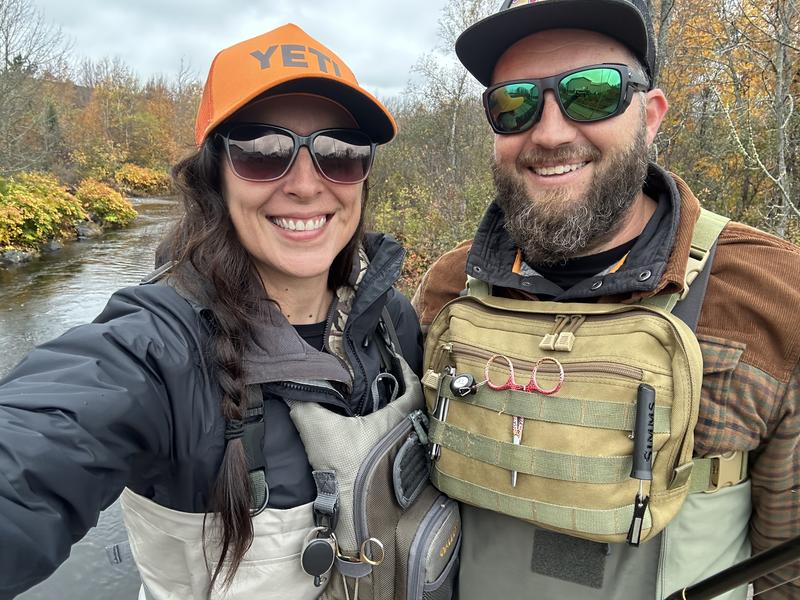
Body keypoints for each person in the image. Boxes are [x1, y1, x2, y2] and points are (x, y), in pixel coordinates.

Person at [0, 23, 423, 600]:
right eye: (263, 151)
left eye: (339, 154)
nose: (306, 184)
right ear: (214, 175)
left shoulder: (392, 323)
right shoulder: (157, 348)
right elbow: (34, 450)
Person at [412, 1, 800, 598]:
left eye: (590, 93)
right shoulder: (449, 287)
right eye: (513, 104)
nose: (549, 132)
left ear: (651, 115)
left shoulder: (769, 296)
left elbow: (786, 574)